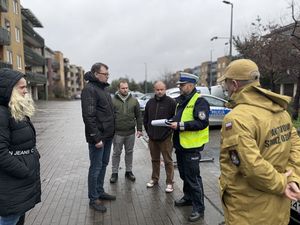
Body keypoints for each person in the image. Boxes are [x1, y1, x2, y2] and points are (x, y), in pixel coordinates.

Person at [217, 59, 300, 225]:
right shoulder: (280, 110)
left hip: (249, 211)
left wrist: (283, 183)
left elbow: (251, 166)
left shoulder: (236, 118)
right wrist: (292, 179)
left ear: (234, 84)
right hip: (279, 207)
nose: (226, 88)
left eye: (226, 83)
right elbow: (295, 147)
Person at [0, 68, 41, 225]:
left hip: (19, 182)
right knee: (10, 220)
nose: (26, 91)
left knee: (18, 219)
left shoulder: (14, 110)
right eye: (22, 87)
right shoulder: (2, 114)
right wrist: (24, 170)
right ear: (9, 88)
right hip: (13, 182)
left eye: (26, 87)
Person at [169, 72, 210, 222]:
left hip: (192, 147)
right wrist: (170, 122)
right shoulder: (182, 101)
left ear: (191, 85)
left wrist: (180, 125)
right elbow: (179, 117)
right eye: (179, 85)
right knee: (184, 175)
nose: (179, 87)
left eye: (182, 85)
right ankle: (188, 197)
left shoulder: (199, 101)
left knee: (193, 178)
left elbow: (202, 123)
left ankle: (199, 208)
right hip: (181, 145)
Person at [81, 62, 116, 213]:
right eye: (105, 74)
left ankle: (100, 191)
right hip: (98, 138)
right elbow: (89, 117)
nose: (107, 76)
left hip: (108, 136)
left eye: (108, 74)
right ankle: (93, 198)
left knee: (103, 165)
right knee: (95, 168)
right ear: (96, 74)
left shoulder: (103, 88)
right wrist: (96, 138)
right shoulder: (89, 90)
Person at [143, 81, 176, 192]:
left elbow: (174, 119)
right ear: (154, 90)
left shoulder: (171, 102)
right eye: (157, 89)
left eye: (161, 89)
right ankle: (154, 179)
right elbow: (146, 119)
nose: (160, 91)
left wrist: (168, 132)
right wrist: (149, 132)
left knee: (168, 161)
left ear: (165, 89)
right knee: (155, 160)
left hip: (165, 138)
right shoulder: (150, 103)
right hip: (152, 138)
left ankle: (170, 182)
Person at [109, 80, 143, 183]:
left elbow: (138, 116)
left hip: (130, 133)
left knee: (129, 152)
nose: (125, 90)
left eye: (126, 88)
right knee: (116, 153)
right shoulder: (113, 101)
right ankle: (114, 173)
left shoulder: (134, 100)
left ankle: (129, 171)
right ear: (118, 89)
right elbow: (110, 117)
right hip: (117, 133)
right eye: (123, 88)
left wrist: (140, 129)